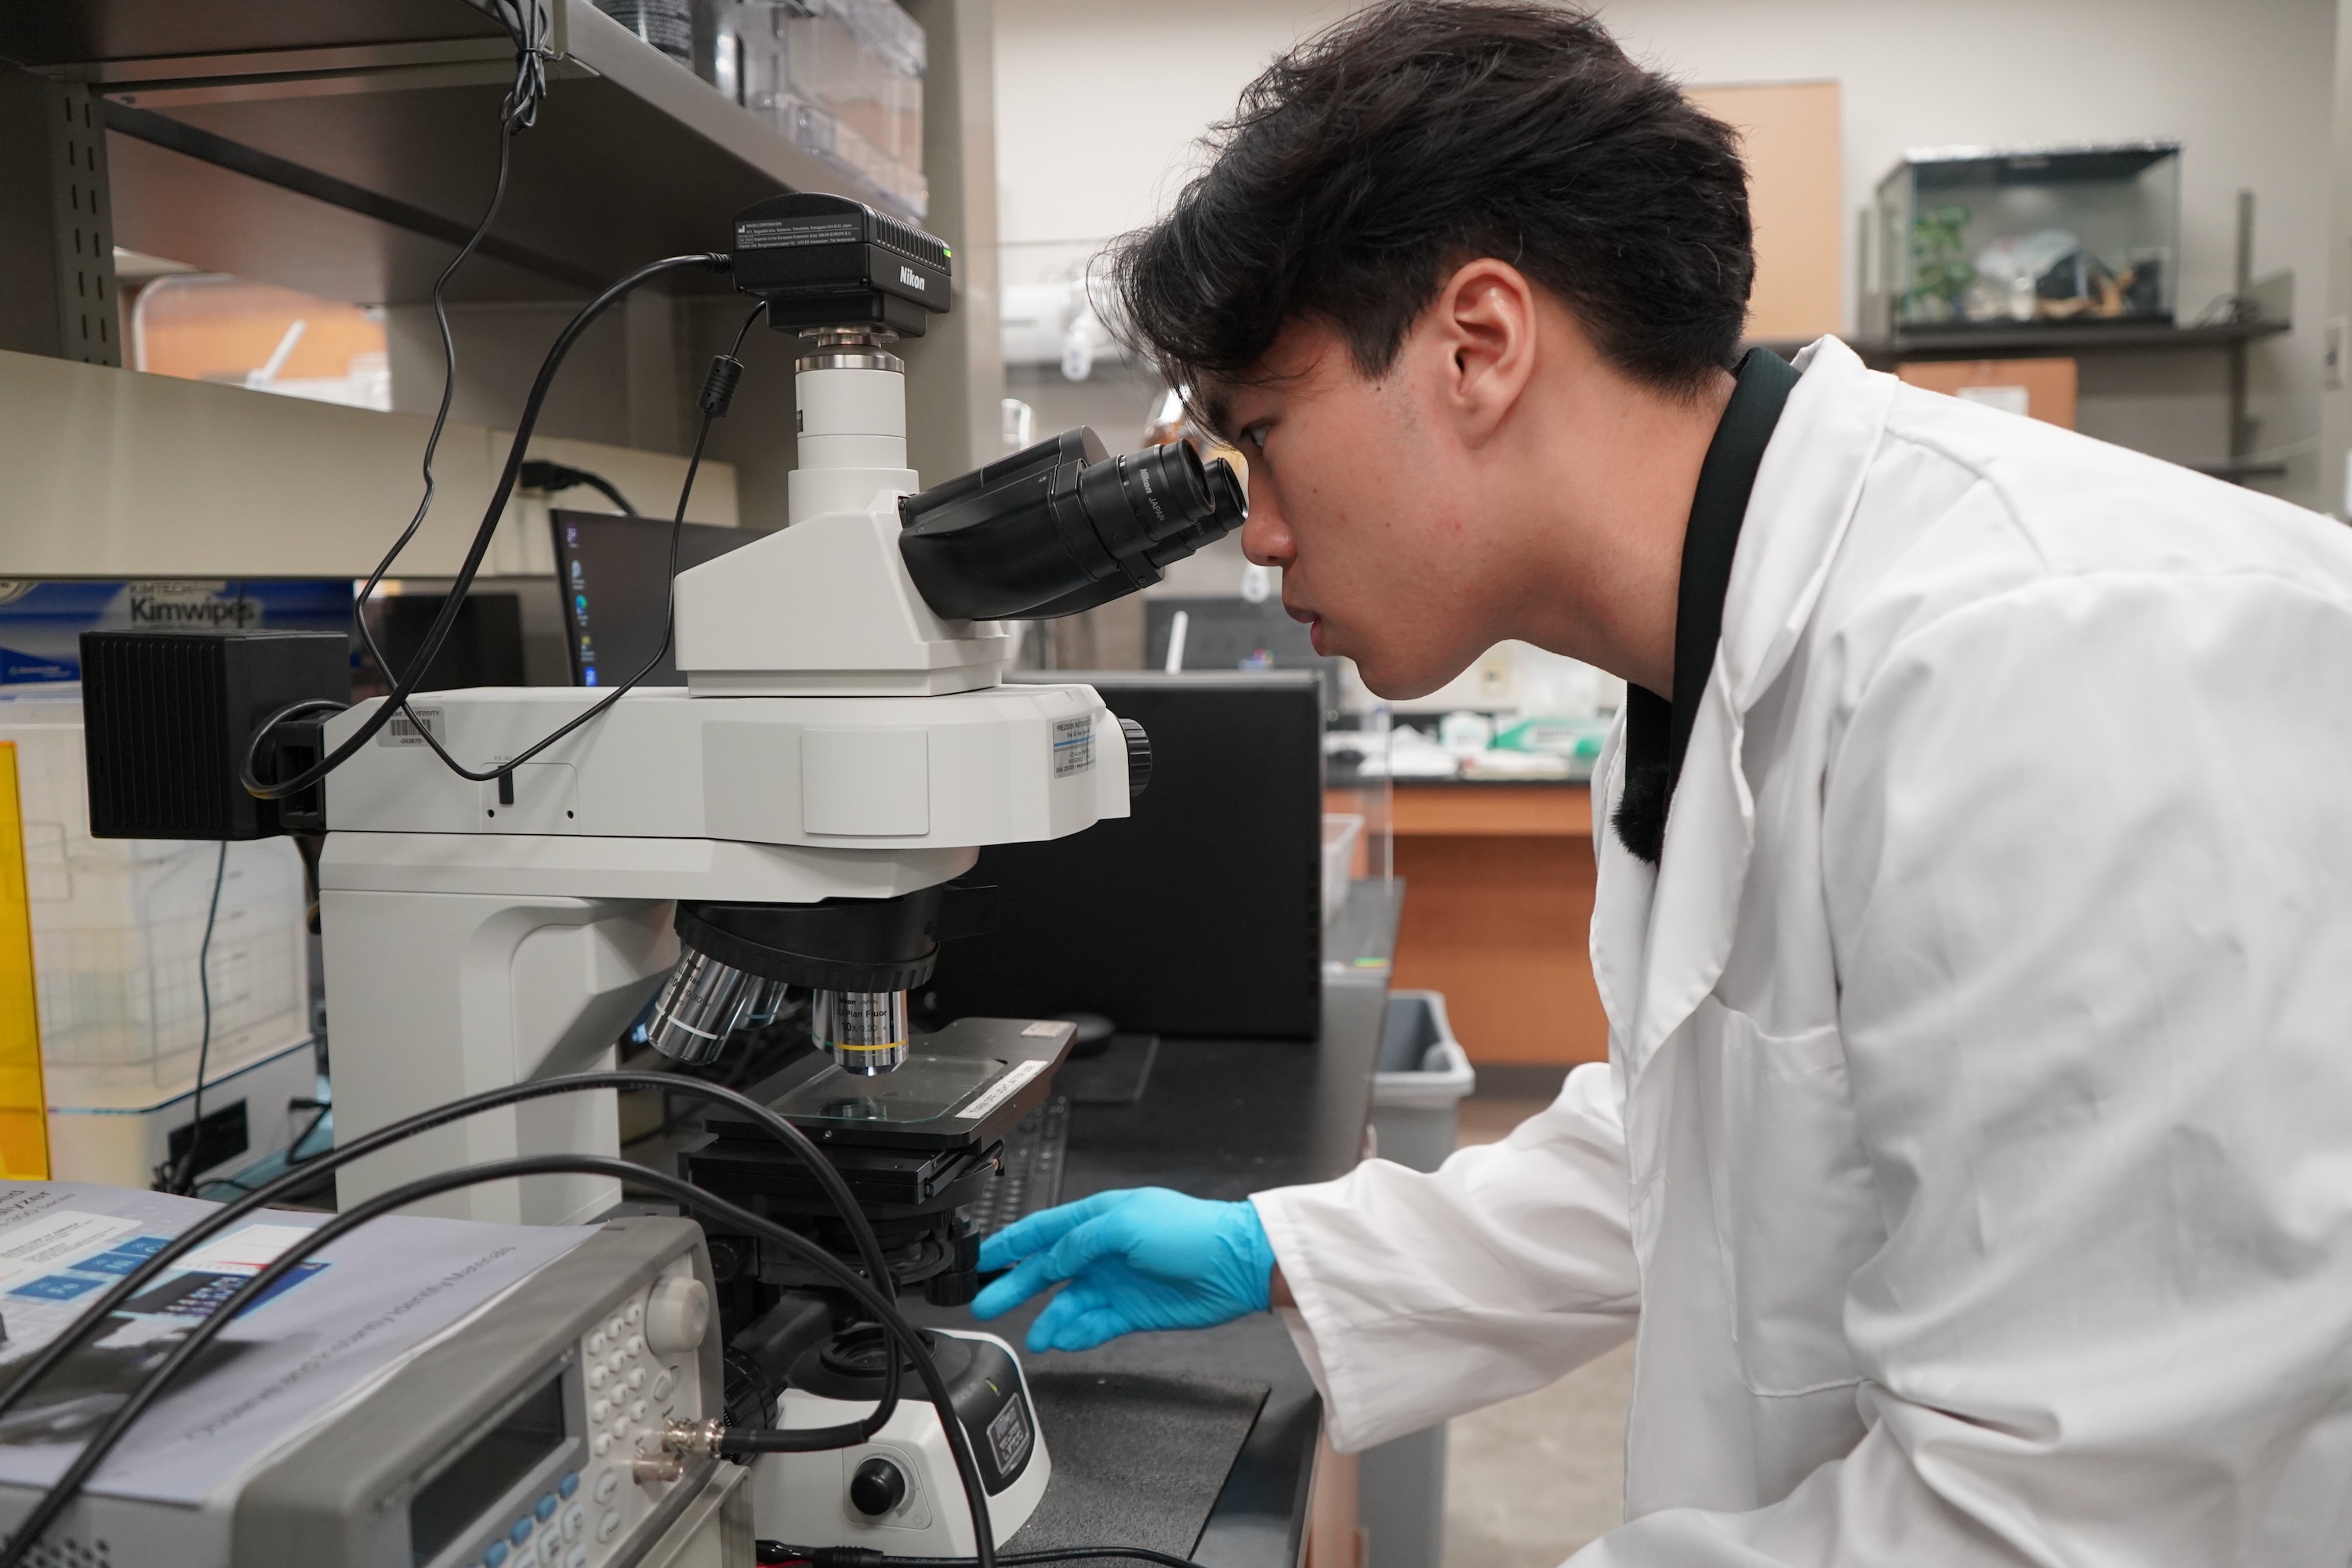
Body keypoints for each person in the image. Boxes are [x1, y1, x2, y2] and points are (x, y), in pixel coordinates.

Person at [974, 4, 2352, 1563]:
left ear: (1477, 344)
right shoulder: (1709, 657)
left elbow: (2072, 1513)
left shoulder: (2058, 661)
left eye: (1267, 440)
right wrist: (1286, 1247)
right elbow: (1709, 1149)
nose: (1263, 532)